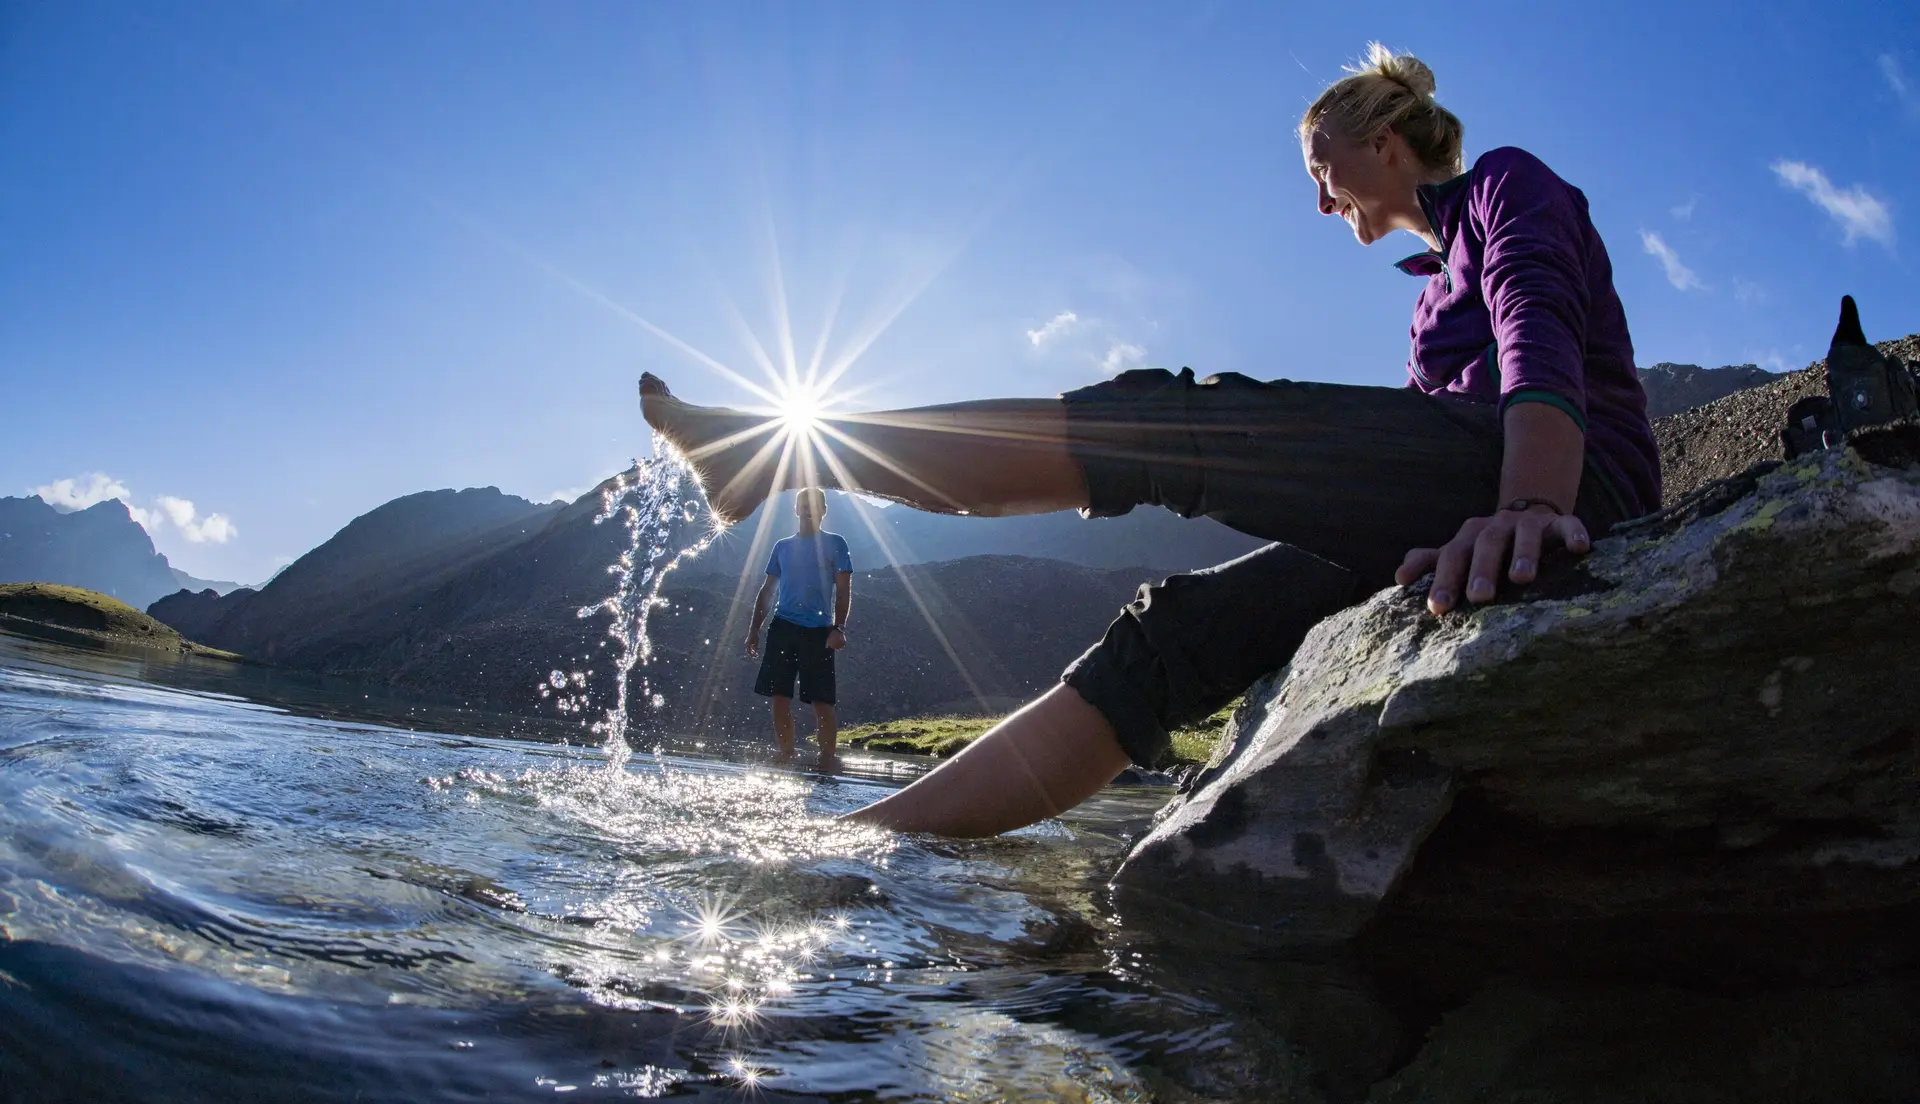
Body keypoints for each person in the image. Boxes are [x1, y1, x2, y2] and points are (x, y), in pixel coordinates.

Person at [641, 44, 1660, 836]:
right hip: (1481, 491)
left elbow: (1538, 332)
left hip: (1572, 488)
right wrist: (1470, 521)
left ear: (1384, 142)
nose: (1318, 199)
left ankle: (787, 453)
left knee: (1177, 422)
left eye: (1322, 168)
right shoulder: (1427, 298)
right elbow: (1424, 449)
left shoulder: (1506, 185)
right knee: (1172, 628)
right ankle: (865, 842)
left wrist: (1528, 503)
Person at [748, 487, 853, 771]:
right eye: (803, 505)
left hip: (819, 631)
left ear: (823, 511)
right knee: (779, 696)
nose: (808, 510)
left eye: (815, 505)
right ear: (796, 510)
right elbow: (767, 590)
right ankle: (786, 755)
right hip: (782, 627)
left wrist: (839, 628)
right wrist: (754, 629)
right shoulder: (782, 546)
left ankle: (827, 761)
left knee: (821, 701)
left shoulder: (836, 544)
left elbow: (843, 591)